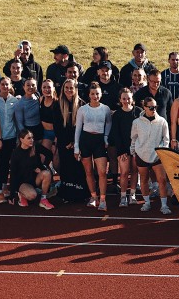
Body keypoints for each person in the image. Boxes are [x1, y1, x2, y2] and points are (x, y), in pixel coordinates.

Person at [75, 82, 113, 211]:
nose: (95, 96)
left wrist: (106, 137)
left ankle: (102, 199)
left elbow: (108, 123)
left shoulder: (106, 109)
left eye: (97, 93)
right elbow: (78, 128)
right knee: (89, 171)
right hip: (85, 140)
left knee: (102, 172)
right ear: (89, 95)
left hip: (99, 141)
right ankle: (93, 197)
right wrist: (76, 146)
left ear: (101, 94)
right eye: (92, 94)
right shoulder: (82, 109)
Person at [130, 97, 171, 214]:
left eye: (155, 107)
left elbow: (166, 139)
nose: (154, 109)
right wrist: (133, 151)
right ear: (145, 107)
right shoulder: (136, 122)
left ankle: (164, 206)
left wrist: (161, 152)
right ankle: (146, 203)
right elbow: (133, 138)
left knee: (162, 180)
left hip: (157, 156)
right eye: (151, 107)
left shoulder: (162, 121)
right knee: (143, 179)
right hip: (141, 154)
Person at [55, 78, 86, 201]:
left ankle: (80, 195)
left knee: (78, 168)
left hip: (78, 143)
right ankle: (66, 195)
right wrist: (67, 142)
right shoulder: (57, 105)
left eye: (71, 88)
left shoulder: (82, 105)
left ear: (75, 89)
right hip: (64, 143)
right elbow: (57, 127)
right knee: (66, 168)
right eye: (66, 88)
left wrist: (75, 142)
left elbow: (83, 126)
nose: (68, 90)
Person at [8, 129, 55, 210]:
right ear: (21, 139)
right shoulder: (16, 153)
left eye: (32, 138)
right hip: (22, 182)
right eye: (29, 138)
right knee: (32, 196)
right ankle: (22, 194)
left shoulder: (35, 147)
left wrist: (43, 166)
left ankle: (43, 199)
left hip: (34, 179)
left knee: (46, 173)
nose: (31, 140)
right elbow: (13, 174)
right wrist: (12, 195)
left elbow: (49, 154)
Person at [111, 89, 142, 206]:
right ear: (120, 100)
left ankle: (132, 195)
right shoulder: (117, 115)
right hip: (123, 149)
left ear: (132, 99)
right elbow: (116, 134)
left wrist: (136, 148)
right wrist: (122, 151)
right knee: (124, 172)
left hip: (136, 148)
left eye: (128, 98)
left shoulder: (139, 112)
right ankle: (123, 197)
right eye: (124, 98)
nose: (126, 101)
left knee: (135, 171)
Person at [0, 77, 19, 202]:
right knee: (0, 164)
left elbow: (17, 120)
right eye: (2, 84)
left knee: (9, 164)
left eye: (7, 84)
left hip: (11, 137)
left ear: (10, 86)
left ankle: (6, 188)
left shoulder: (15, 101)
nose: (4, 86)